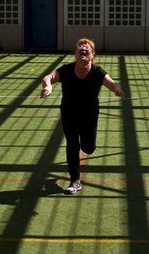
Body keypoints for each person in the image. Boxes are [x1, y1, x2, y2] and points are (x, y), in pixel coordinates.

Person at [40, 38, 124, 194]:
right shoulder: (66, 70)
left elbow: (112, 83)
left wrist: (117, 90)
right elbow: (48, 77)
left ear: (92, 55)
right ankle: (75, 180)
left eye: (87, 48)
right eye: (80, 47)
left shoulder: (98, 72)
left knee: (88, 147)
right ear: (75, 54)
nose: (83, 49)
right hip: (69, 112)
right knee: (72, 144)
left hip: (89, 114)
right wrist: (49, 86)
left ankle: (85, 149)